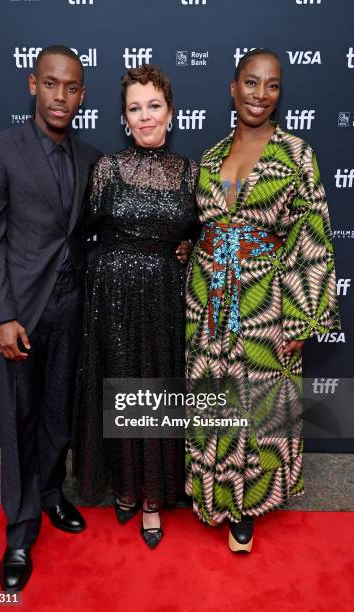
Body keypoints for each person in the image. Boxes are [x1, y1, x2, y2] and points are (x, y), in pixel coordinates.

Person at [185, 48, 340, 552]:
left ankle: (247, 507)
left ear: (279, 94)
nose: (260, 94)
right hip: (208, 299)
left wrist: (301, 317)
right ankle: (212, 494)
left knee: (259, 404)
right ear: (233, 88)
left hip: (264, 302)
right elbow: (204, 224)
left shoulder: (296, 154)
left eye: (271, 85)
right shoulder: (209, 157)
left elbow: (311, 235)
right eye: (251, 83)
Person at [0, 45, 101, 591]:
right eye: (51, 84)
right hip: (20, 314)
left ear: (82, 96)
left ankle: (50, 494)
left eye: (71, 88)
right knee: (19, 421)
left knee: (56, 416)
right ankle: (19, 532)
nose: (60, 97)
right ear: (32, 85)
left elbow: (97, 233)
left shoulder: (90, 158)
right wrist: (0, 315)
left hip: (70, 309)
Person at [72, 64, 198, 548]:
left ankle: (152, 499)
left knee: (155, 387)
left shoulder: (191, 174)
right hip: (113, 295)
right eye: (135, 108)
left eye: (154, 106)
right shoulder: (106, 169)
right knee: (119, 385)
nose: (145, 117)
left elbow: (202, 236)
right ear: (125, 117)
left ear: (170, 112)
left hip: (165, 297)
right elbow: (83, 232)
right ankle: (125, 486)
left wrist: (185, 251)